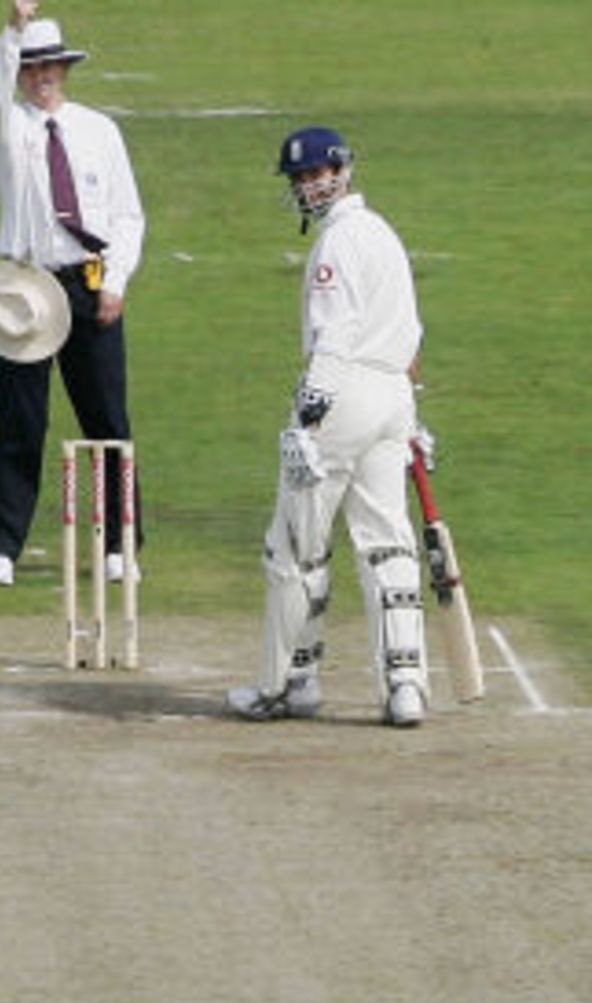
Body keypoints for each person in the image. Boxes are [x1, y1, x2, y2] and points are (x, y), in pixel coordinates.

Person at [226, 127, 430, 728]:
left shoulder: (337, 243)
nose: (308, 186)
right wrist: (410, 415)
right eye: (300, 178)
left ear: (342, 171)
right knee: (387, 543)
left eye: (316, 174)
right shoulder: (383, 232)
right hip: (392, 396)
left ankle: (286, 684)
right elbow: (410, 333)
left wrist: (309, 421)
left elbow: (334, 336)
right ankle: (406, 687)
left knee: (294, 548)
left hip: (344, 395)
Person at [0, 0, 145, 589]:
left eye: (49, 66)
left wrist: (115, 282)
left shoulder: (99, 130)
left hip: (89, 282)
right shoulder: (10, 125)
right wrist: (14, 28)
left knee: (106, 415)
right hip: (25, 286)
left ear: (64, 70)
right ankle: (2, 547)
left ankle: (120, 544)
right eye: (30, 67)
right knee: (17, 418)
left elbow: (127, 216)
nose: (40, 76)